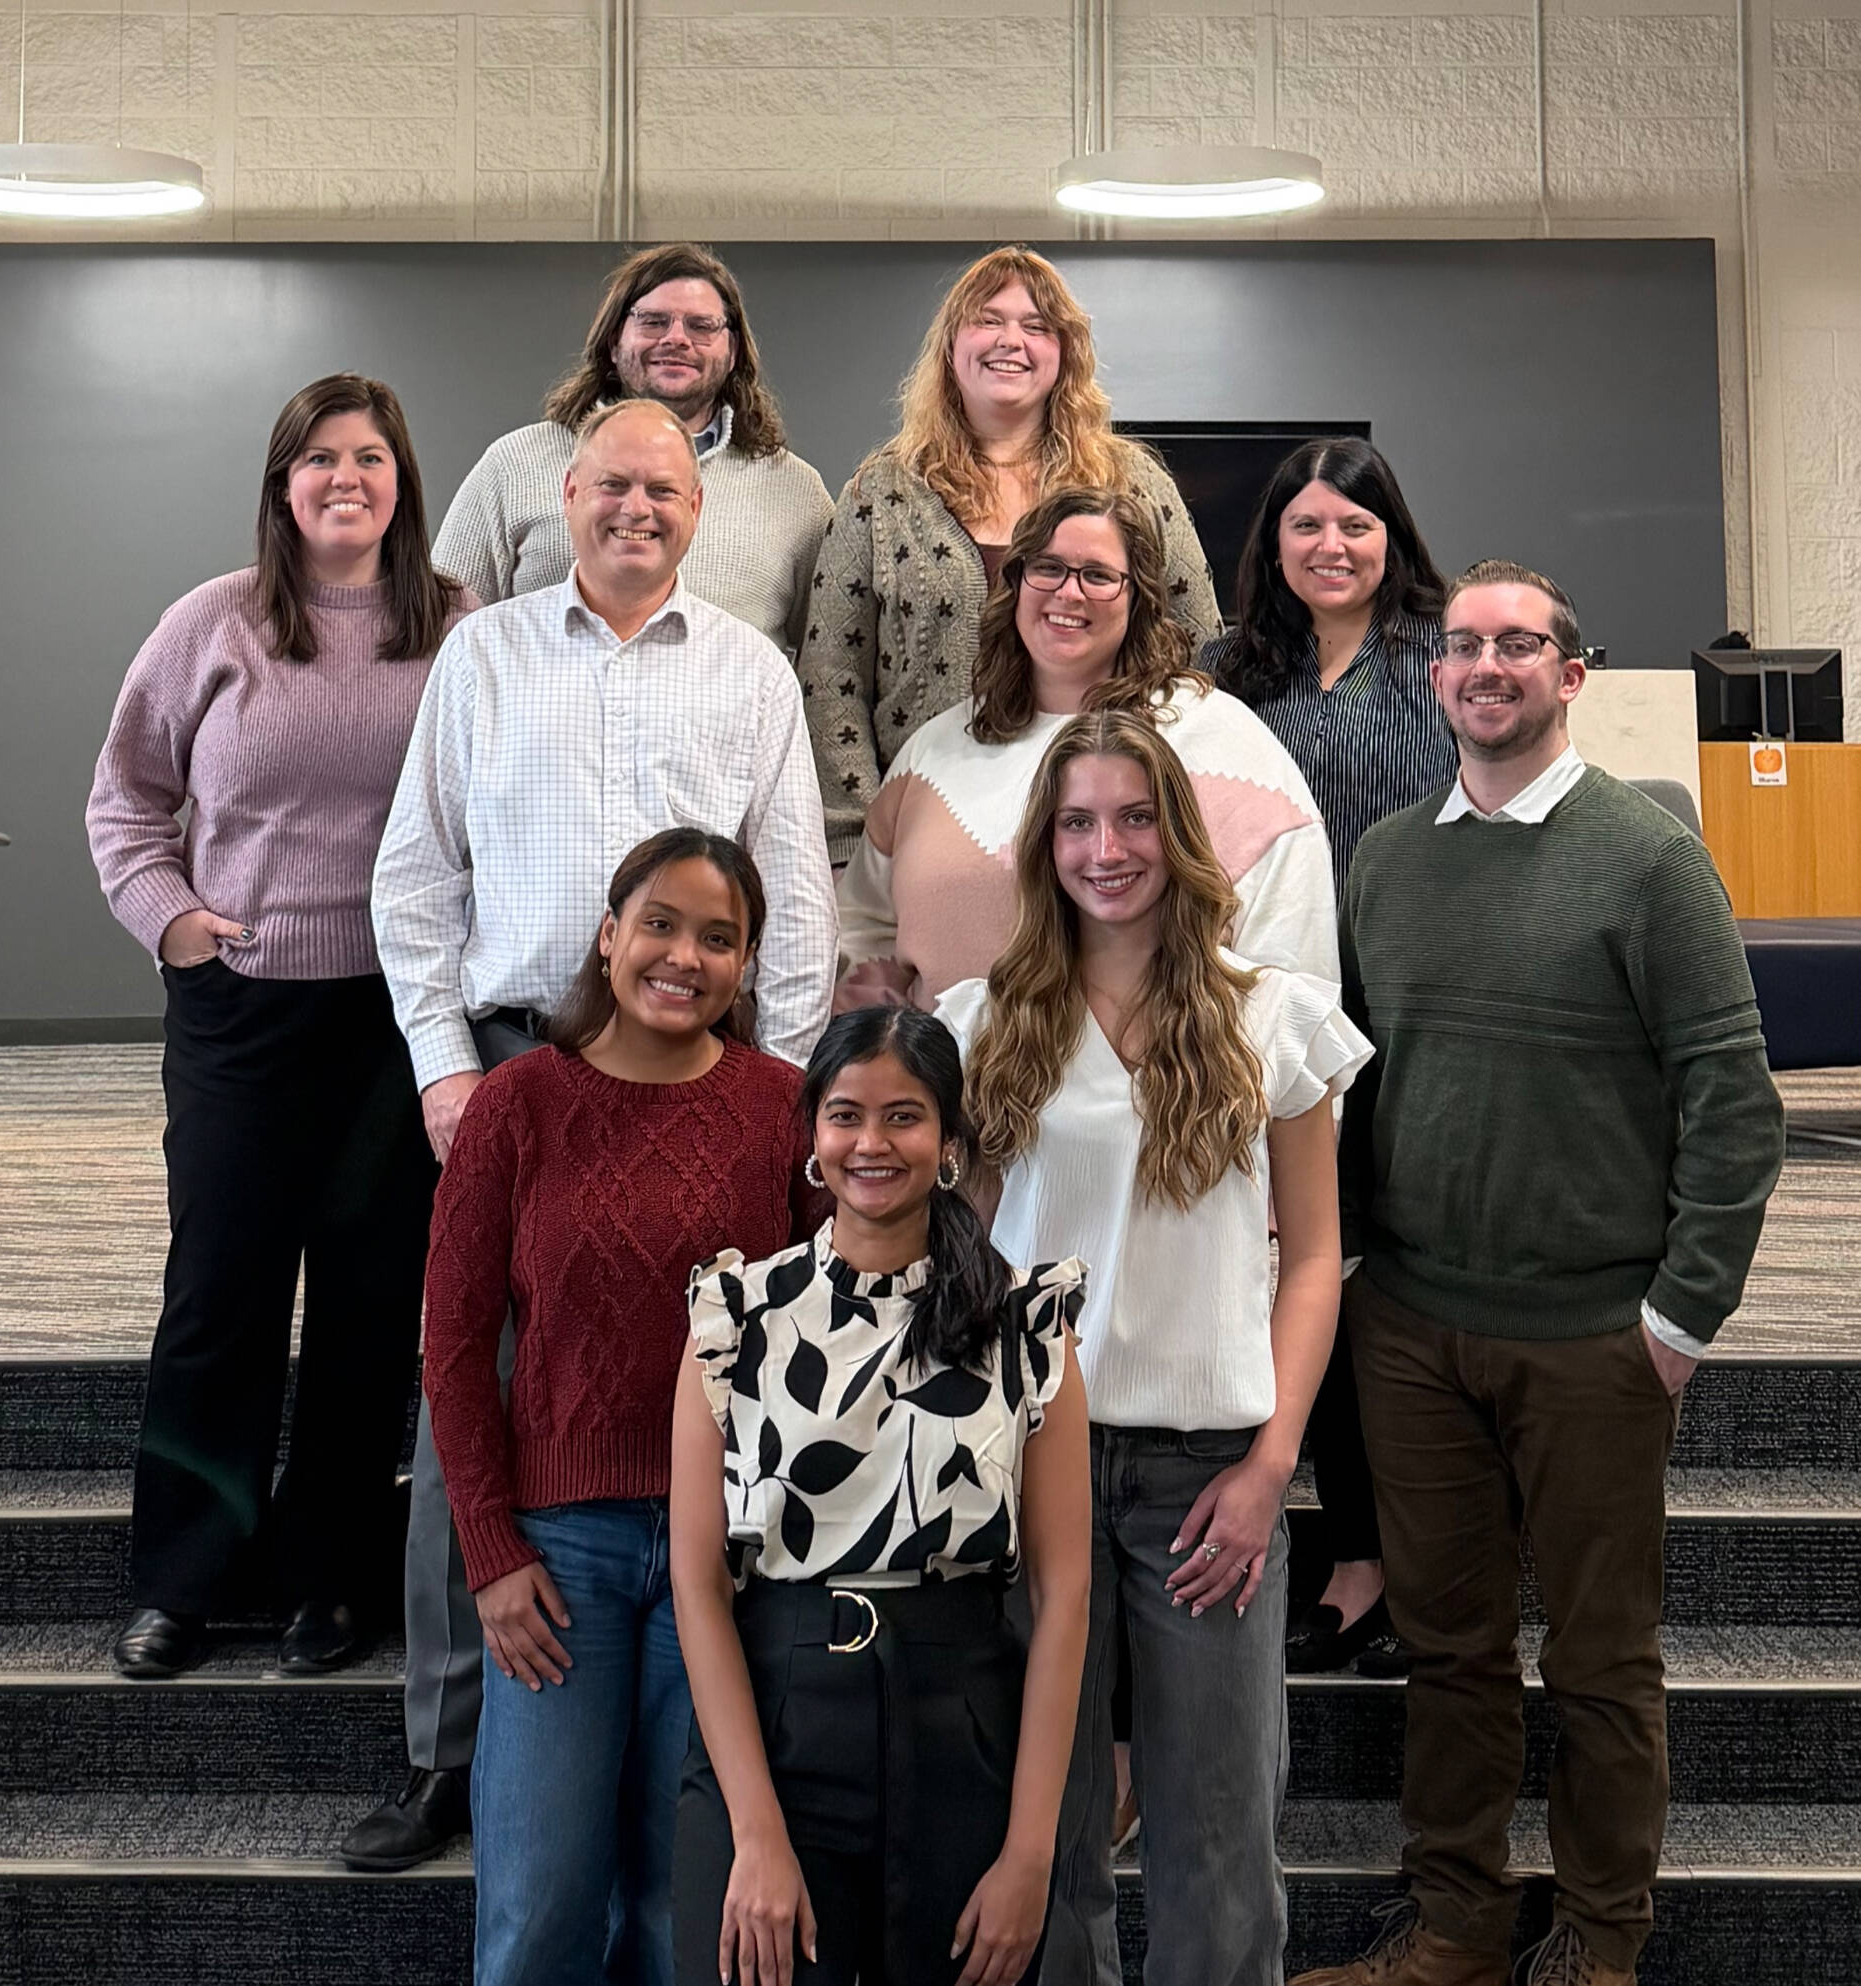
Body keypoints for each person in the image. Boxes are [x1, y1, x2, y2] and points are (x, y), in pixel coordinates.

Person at [348, 395, 838, 1872]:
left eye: (667, 492)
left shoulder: (748, 672)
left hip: (708, 1088)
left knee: (709, 1402)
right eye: (614, 485)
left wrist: (784, 1099)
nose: (639, 509)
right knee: (473, 1416)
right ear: (564, 497)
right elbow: (416, 873)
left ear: (700, 514)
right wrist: (445, 1069)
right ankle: (450, 1749)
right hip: (513, 1073)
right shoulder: (485, 655)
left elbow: (798, 902)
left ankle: (692, 1741)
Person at [1293, 563, 1786, 1986]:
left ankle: (1598, 1943)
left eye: (1518, 643)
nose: (1485, 665)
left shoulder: (1646, 854)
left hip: (1593, 1336)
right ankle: (1452, 1927)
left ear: (1571, 673)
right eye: (1461, 645)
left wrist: (1681, 1315)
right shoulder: (1386, 856)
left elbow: (1729, 1096)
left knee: (1599, 1663)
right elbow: (1361, 1077)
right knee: (1447, 1652)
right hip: (1414, 1327)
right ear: (1432, 678)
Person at [940, 707, 1370, 1986]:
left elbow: (1309, 1261)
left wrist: (1270, 1464)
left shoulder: (1270, 1020)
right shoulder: (985, 1022)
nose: (1105, 847)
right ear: (1045, 845)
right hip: (1036, 1472)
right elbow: (961, 1265)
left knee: (1220, 1842)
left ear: (1177, 835)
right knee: (1050, 1839)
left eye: (1133, 817)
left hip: (1207, 1475)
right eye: (1076, 822)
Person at [86, 372, 475, 1680]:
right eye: (318, 459)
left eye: (370, 456)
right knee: (219, 1296)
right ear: (282, 483)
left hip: (396, 1018)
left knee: (368, 1307)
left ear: (401, 481)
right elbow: (124, 802)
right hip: (242, 1014)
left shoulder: (459, 628)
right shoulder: (213, 625)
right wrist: (176, 923)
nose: (345, 478)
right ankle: (187, 1578)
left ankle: (329, 1580)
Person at [425, 829, 825, 1986]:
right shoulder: (517, 1106)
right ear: (608, 937)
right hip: (559, 1565)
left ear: (747, 966)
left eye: (720, 939)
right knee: (541, 1908)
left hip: (727, 1558)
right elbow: (451, 1353)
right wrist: (492, 1553)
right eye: (660, 924)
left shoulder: (785, 1112)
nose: (684, 957)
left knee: (675, 1909)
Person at [670, 1004, 1092, 1986]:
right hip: (775, 1730)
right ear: (813, 1132)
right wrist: (758, 1836)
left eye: (904, 1117)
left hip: (963, 1737)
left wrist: (1030, 1855)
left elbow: (1067, 1595)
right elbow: (696, 1586)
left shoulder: (1028, 1324)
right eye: (846, 1114)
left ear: (948, 1141)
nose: (872, 1142)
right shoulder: (734, 1315)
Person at [1202, 436, 1457, 1676]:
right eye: (1306, 527)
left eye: (1354, 527)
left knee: (1410, 1292)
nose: (1331, 547)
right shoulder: (1233, 673)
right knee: (1324, 1287)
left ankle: (1426, 1563)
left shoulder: (1442, 657)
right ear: (1274, 547)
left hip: (1418, 1013)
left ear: (1390, 537)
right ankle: (1355, 1559)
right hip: (1280, 1027)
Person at [798, 244, 1222, 868]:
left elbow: (1198, 646)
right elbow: (829, 676)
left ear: (1065, 352)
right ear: (951, 344)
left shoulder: (1132, 484)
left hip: (1109, 837)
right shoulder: (882, 493)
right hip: (928, 833)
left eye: (1036, 326)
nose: (1010, 341)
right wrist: (862, 848)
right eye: (988, 320)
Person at [838, 486, 1335, 1012]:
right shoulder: (933, 753)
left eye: (1098, 576)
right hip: (950, 1088)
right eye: (1048, 568)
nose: (1068, 594)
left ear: (1138, 596)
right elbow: (862, 934)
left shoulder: (1220, 738)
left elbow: (1296, 970)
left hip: (1165, 1086)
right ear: (1016, 584)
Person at [433, 241, 833, 653]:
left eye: (701, 326)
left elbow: (829, 663)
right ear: (613, 341)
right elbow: (440, 629)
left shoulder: (796, 493)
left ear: (733, 351)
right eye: (653, 321)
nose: (677, 339)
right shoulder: (514, 465)